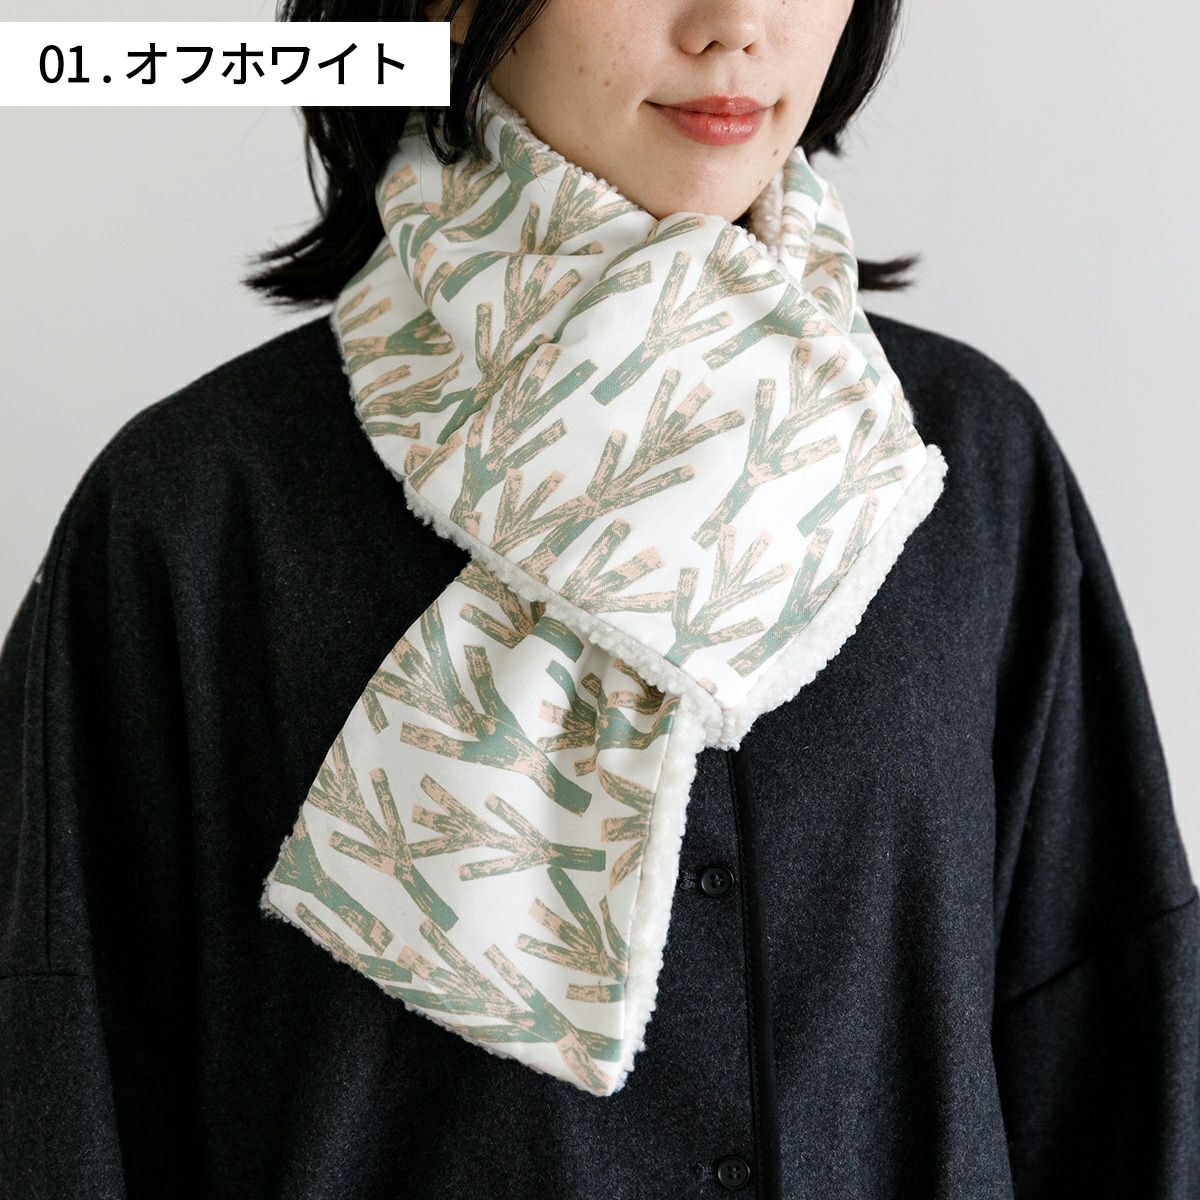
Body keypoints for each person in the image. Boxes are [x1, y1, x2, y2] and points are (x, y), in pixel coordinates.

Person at [2, 0, 1196, 1197]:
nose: (736, 25)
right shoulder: (193, 515)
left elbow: (1112, 1060)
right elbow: (59, 1084)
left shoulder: (962, 466)